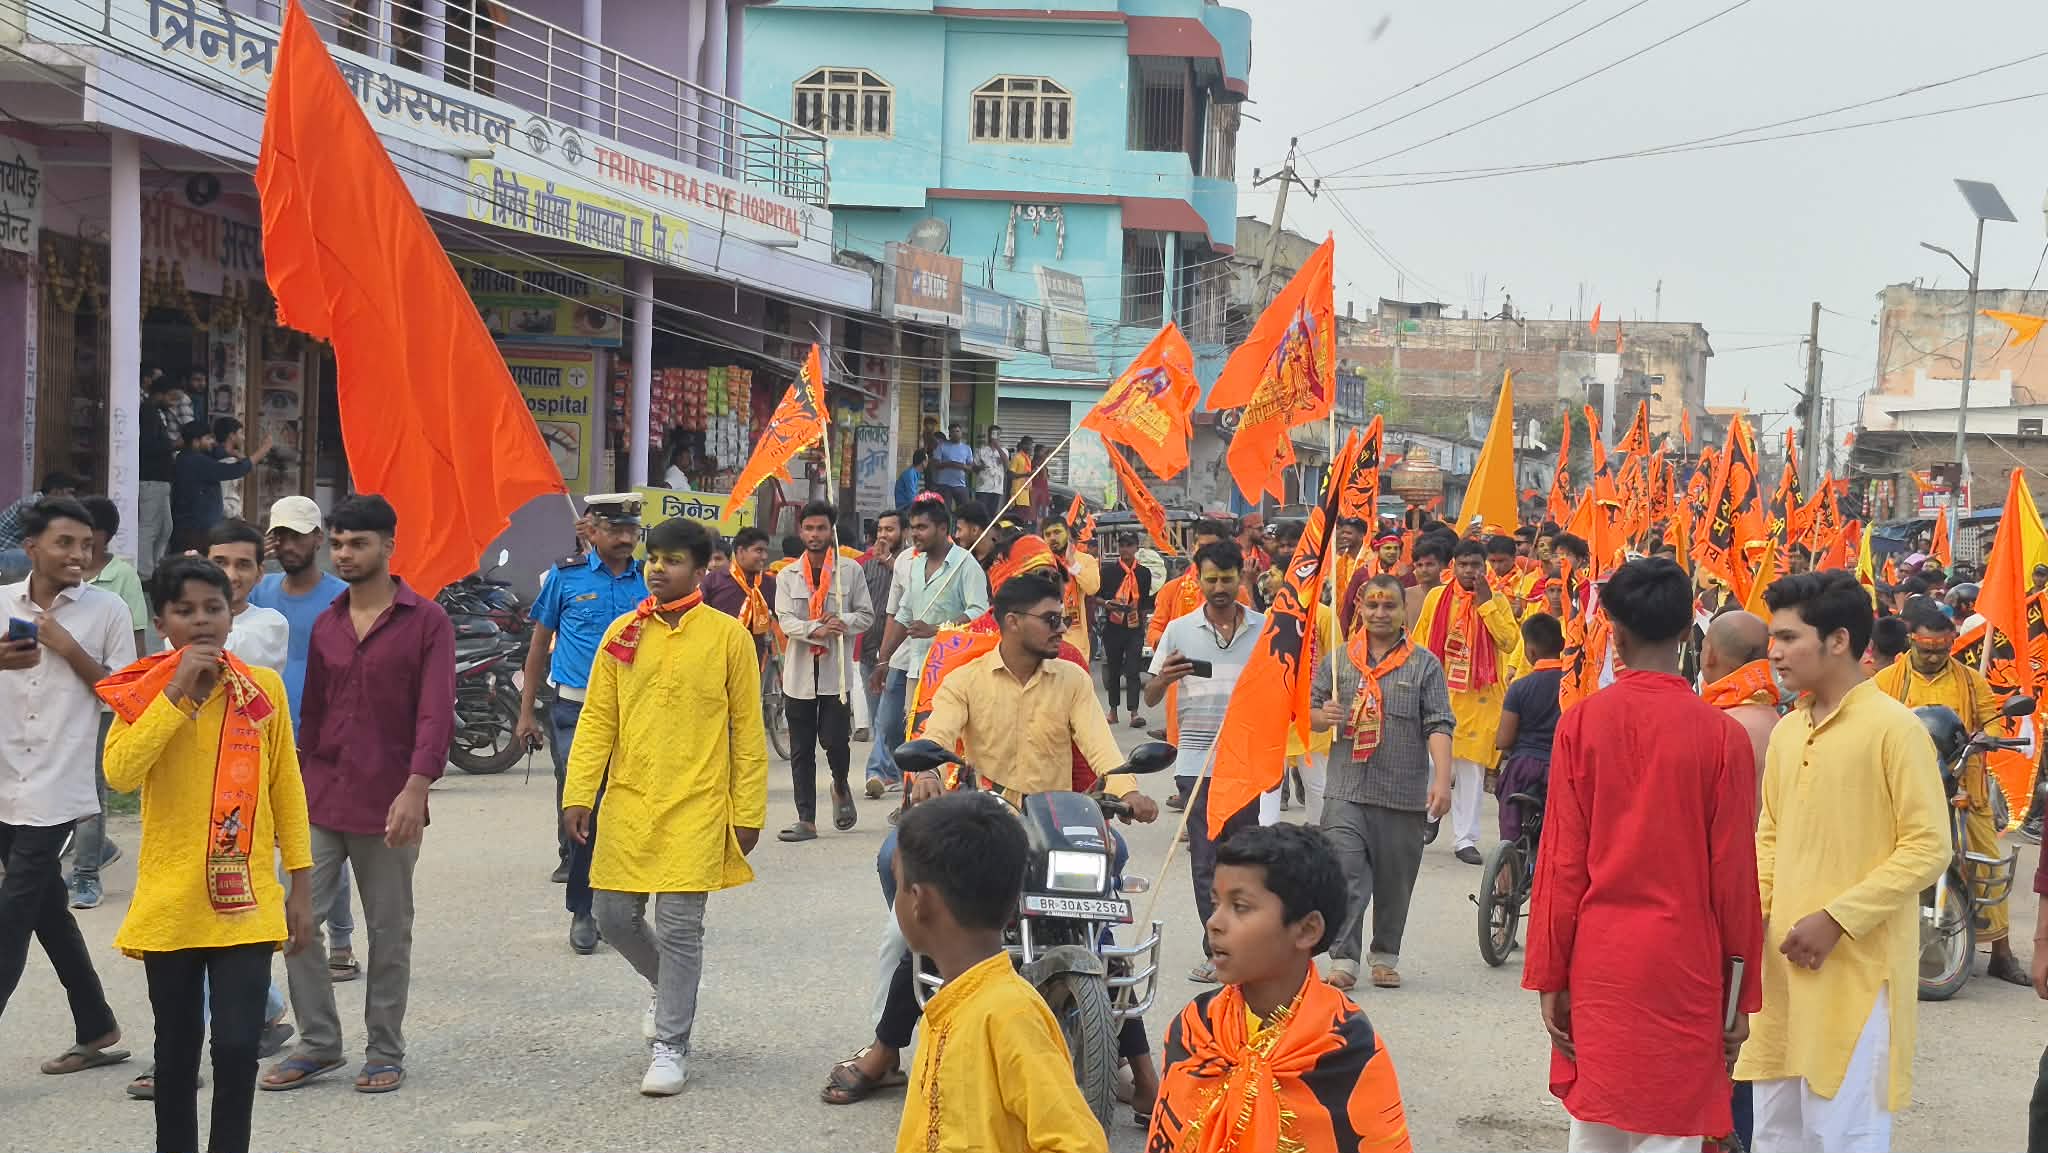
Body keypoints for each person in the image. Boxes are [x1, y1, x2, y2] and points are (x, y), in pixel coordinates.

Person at [829, 569, 1162, 1121]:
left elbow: (1104, 749)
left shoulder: (1073, 680)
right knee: (907, 887)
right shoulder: (966, 678)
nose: (1062, 628)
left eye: (1063, 618)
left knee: (1104, 913)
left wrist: (1128, 792)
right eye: (1051, 619)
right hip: (988, 821)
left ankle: (1143, 1074)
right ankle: (887, 1050)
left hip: (1057, 823)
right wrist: (928, 769)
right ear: (1012, 622)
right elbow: (938, 733)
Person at [1521, 557, 1764, 1152]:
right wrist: (1741, 996)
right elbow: (1734, 879)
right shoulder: (1722, 736)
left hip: (1602, 959)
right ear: (1689, 633)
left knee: (1596, 1127)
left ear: (1615, 631)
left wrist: (1551, 973)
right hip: (1687, 963)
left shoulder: (1581, 724)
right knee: (1673, 1130)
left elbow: (1560, 865)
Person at [100, 556, 313, 1153]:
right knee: (176, 1050)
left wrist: (300, 883)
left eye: (213, 608)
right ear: (163, 620)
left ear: (231, 613)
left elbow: (285, 787)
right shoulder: (143, 688)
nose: (201, 622)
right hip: (172, 902)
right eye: (185, 610)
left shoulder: (260, 688)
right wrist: (174, 693)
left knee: (240, 1045)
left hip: (244, 899)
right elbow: (118, 773)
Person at [1737, 571, 1950, 1152]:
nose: (1774, 651)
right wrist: (1749, 921)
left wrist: (1836, 918)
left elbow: (1929, 846)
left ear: (1837, 641)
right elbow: (1770, 835)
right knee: (1776, 1134)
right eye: (1771, 638)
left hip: (1858, 973)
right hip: (1779, 969)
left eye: (1787, 637)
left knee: (1843, 1136)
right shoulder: (1787, 731)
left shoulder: (1895, 730)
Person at [561, 515, 767, 1096]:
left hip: (699, 804)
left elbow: (748, 732)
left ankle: (671, 1045)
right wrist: (580, 793)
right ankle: (668, 985)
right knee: (611, 919)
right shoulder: (623, 633)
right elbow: (598, 719)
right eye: (655, 558)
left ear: (701, 572)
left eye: (673, 560)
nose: (657, 568)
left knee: (681, 929)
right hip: (628, 801)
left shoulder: (728, 637)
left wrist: (747, 810)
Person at [263, 494, 455, 1095]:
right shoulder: (327, 623)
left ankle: (384, 1050)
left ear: (388, 546)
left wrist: (416, 788)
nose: (345, 554)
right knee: (296, 922)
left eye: (358, 544)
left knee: (388, 929)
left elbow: (435, 714)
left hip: (390, 799)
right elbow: (312, 717)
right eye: (339, 543)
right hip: (320, 795)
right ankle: (318, 1043)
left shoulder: (427, 622)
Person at [1150, 823, 1413, 1153]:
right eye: (1216, 903)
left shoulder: (1348, 1050)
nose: (1214, 922)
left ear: (1306, 930)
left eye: (1240, 907)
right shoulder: (1195, 1029)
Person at [889, 791, 1109, 1153]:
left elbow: (1079, 1143)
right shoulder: (948, 1005)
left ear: (918, 901)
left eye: (897, 885)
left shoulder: (1010, 1014)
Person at [0, 497, 136, 1074]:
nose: (80, 554)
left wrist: (67, 647)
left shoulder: (105, 610)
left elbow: (125, 693)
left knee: (10, 915)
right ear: (32, 548)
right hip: (4, 778)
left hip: (58, 786)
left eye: (87, 544)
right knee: (47, 910)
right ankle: (96, 1024)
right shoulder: (3, 602)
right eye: (65, 543)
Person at [514, 494, 647, 953]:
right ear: (592, 531)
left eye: (632, 529)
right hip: (575, 707)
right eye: (616, 529)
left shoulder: (648, 582)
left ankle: (626, 903)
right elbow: (538, 646)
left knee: (627, 807)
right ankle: (583, 910)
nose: (626, 538)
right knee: (584, 798)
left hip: (634, 712)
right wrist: (526, 711)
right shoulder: (565, 579)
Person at [1869, 601, 2028, 984]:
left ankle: (2001, 953)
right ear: (1911, 643)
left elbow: (1990, 717)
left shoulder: (1971, 680)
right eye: (1926, 651)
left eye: (1942, 651)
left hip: (1962, 785)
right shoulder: (1887, 680)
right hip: (1903, 788)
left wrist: (1988, 737)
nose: (1934, 658)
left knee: (1985, 858)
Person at [1310, 573, 1454, 991]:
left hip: (1402, 794)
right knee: (1345, 873)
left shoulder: (1424, 664)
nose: (1380, 613)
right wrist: (1325, 717)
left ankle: (1386, 954)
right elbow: (1308, 712)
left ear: (1403, 610)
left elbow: (1439, 723)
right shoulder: (1337, 662)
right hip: (1346, 791)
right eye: (1371, 605)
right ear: (1359, 608)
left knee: (1395, 880)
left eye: (1389, 605)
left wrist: (1442, 780)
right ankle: (1344, 958)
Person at [247, 495, 361, 983]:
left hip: (321, 738)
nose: (289, 544)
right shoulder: (261, 589)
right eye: (281, 535)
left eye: (298, 534)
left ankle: (340, 937)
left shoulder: (342, 595)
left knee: (320, 843)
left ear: (319, 538)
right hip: (261, 733)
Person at [1147, 541, 1264, 983]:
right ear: (1197, 579)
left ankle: (1246, 946)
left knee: (1246, 859)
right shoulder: (1178, 630)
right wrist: (1165, 677)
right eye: (1211, 578)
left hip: (1245, 762)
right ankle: (1217, 950)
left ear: (1241, 577)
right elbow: (1151, 695)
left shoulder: (1262, 627)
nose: (1219, 587)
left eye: (1227, 578)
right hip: (1196, 762)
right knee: (1205, 861)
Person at [866, 495, 989, 794]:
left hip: (955, 671)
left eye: (922, 527)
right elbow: (903, 616)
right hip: (917, 671)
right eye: (912, 527)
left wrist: (938, 629)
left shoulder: (965, 564)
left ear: (942, 527)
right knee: (911, 737)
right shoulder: (914, 566)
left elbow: (979, 614)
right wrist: (883, 661)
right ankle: (912, 800)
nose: (914, 535)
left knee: (952, 740)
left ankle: (955, 799)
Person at [1411, 537, 1520, 864]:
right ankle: (1430, 815)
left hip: (1480, 697)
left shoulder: (1496, 600)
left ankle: (1465, 839)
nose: (1471, 571)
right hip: (1441, 691)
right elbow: (1420, 638)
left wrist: (1486, 605)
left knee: (1471, 771)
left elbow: (1509, 640)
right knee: (1432, 763)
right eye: (1464, 565)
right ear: (1453, 567)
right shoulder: (1436, 597)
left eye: (1476, 565)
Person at [775, 500, 876, 841]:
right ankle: (806, 818)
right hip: (799, 674)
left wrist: (842, 622)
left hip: (836, 675)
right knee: (801, 748)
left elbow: (867, 615)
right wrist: (813, 629)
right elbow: (785, 619)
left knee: (835, 742)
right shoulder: (787, 575)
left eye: (821, 529)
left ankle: (839, 784)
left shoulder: (850, 571)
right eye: (809, 528)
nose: (815, 535)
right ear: (800, 531)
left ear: (830, 531)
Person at [68, 494, 147, 909]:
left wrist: (129, 701)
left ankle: (85, 876)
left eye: (83, 532)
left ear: (100, 535)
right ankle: (96, 850)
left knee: (91, 786)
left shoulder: (122, 578)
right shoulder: (61, 575)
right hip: (59, 702)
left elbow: (134, 647)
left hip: (101, 703)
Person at [1494, 612, 1564, 848]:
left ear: (1530, 652)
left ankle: (1505, 877)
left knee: (1511, 830)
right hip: (1560, 768)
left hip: (1523, 767)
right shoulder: (1574, 685)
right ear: (1562, 645)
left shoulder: (1520, 688)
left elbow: (1503, 739)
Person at [203, 519, 290, 672]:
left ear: (259, 573)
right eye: (220, 563)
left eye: (243, 565)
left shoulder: (272, 624)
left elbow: (223, 653)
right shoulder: (183, 617)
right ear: (203, 566)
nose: (231, 576)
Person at [171, 420, 266, 555]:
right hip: (195, 530)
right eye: (208, 438)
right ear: (196, 441)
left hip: (194, 527)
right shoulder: (196, 461)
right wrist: (262, 452)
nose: (212, 442)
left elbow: (219, 452)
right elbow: (233, 471)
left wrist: (233, 452)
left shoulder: (187, 458)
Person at [700, 525, 779, 666]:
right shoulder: (714, 580)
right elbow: (697, 616)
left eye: (765, 551)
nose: (764, 557)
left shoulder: (768, 584)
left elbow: (782, 616)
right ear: (741, 551)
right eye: (759, 551)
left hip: (752, 659)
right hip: (715, 657)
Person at [858, 509, 904, 744]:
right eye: (880, 529)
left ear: (903, 532)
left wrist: (889, 561)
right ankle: (880, 773)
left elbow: (914, 583)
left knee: (893, 722)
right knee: (877, 720)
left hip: (900, 656)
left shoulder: (912, 560)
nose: (883, 534)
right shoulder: (867, 564)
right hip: (869, 653)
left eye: (890, 529)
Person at [1098, 536, 1152, 727]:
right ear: (1117, 548)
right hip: (1113, 627)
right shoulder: (1108, 571)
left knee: (1132, 670)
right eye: (1122, 545)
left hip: (1134, 628)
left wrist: (1143, 623)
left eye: (1129, 545)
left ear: (1136, 548)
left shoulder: (1144, 573)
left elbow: (1146, 602)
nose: (1125, 549)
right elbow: (1095, 597)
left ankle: (1134, 713)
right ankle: (1113, 711)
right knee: (1113, 670)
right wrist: (1107, 604)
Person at [139, 375, 185, 577]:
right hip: (151, 479)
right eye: (172, 398)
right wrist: (174, 445)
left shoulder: (157, 413)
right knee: (150, 527)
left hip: (161, 480)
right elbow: (147, 446)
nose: (174, 403)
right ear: (160, 394)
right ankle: (143, 572)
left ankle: (155, 565)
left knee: (166, 527)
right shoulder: (147, 413)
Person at [1043, 514, 1100, 657]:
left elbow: (1092, 588)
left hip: (1076, 641)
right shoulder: (1041, 563)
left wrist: (1072, 563)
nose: (1052, 538)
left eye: (1057, 532)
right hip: (1047, 640)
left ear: (1068, 534)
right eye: (1048, 534)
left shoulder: (1086, 560)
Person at [1403, 534, 1454, 630]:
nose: (1424, 570)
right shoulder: (1405, 595)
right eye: (1420, 565)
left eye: (1429, 564)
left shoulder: (1451, 594)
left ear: (1441, 566)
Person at [212, 417, 250, 520]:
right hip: (226, 520)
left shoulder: (224, 458)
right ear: (232, 436)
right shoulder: (228, 462)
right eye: (241, 433)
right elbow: (220, 497)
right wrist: (232, 514)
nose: (243, 438)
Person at [930, 424, 975, 507]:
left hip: (960, 484)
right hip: (944, 484)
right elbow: (935, 464)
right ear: (949, 434)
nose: (955, 434)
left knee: (965, 509)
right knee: (944, 510)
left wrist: (961, 466)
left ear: (961, 433)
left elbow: (971, 467)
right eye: (953, 432)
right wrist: (949, 464)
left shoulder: (967, 448)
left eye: (957, 431)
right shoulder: (942, 446)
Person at [973, 426, 1007, 510]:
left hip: (997, 488)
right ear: (989, 435)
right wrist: (980, 467)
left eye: (997, 434)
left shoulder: (1004, 451)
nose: (995, 436)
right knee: (981, 512)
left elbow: (1007, 465)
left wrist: (998, 447)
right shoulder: (980, 450)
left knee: (992, 514)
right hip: (983, 488)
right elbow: (973, 468)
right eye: (993, 433)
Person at [1006, 435, 1036, 508]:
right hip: (1017, 494)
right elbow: (1010, 475)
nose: (1031, 448)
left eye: (1032, 445)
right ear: (1023, 445)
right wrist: (1026, 474)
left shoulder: (1027, 458)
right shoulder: (1017, 457)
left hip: (1025, 495)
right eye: (1029, 445)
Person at [1029, 445, 1052, 519]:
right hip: (1037, 495)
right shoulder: (1035, 463)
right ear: (1037, 453)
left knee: (1043, 518)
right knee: (1039, 518)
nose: (1045, 455)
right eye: (1043, 452)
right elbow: (1043, 476)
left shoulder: (1043, 464)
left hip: (1042, 494)